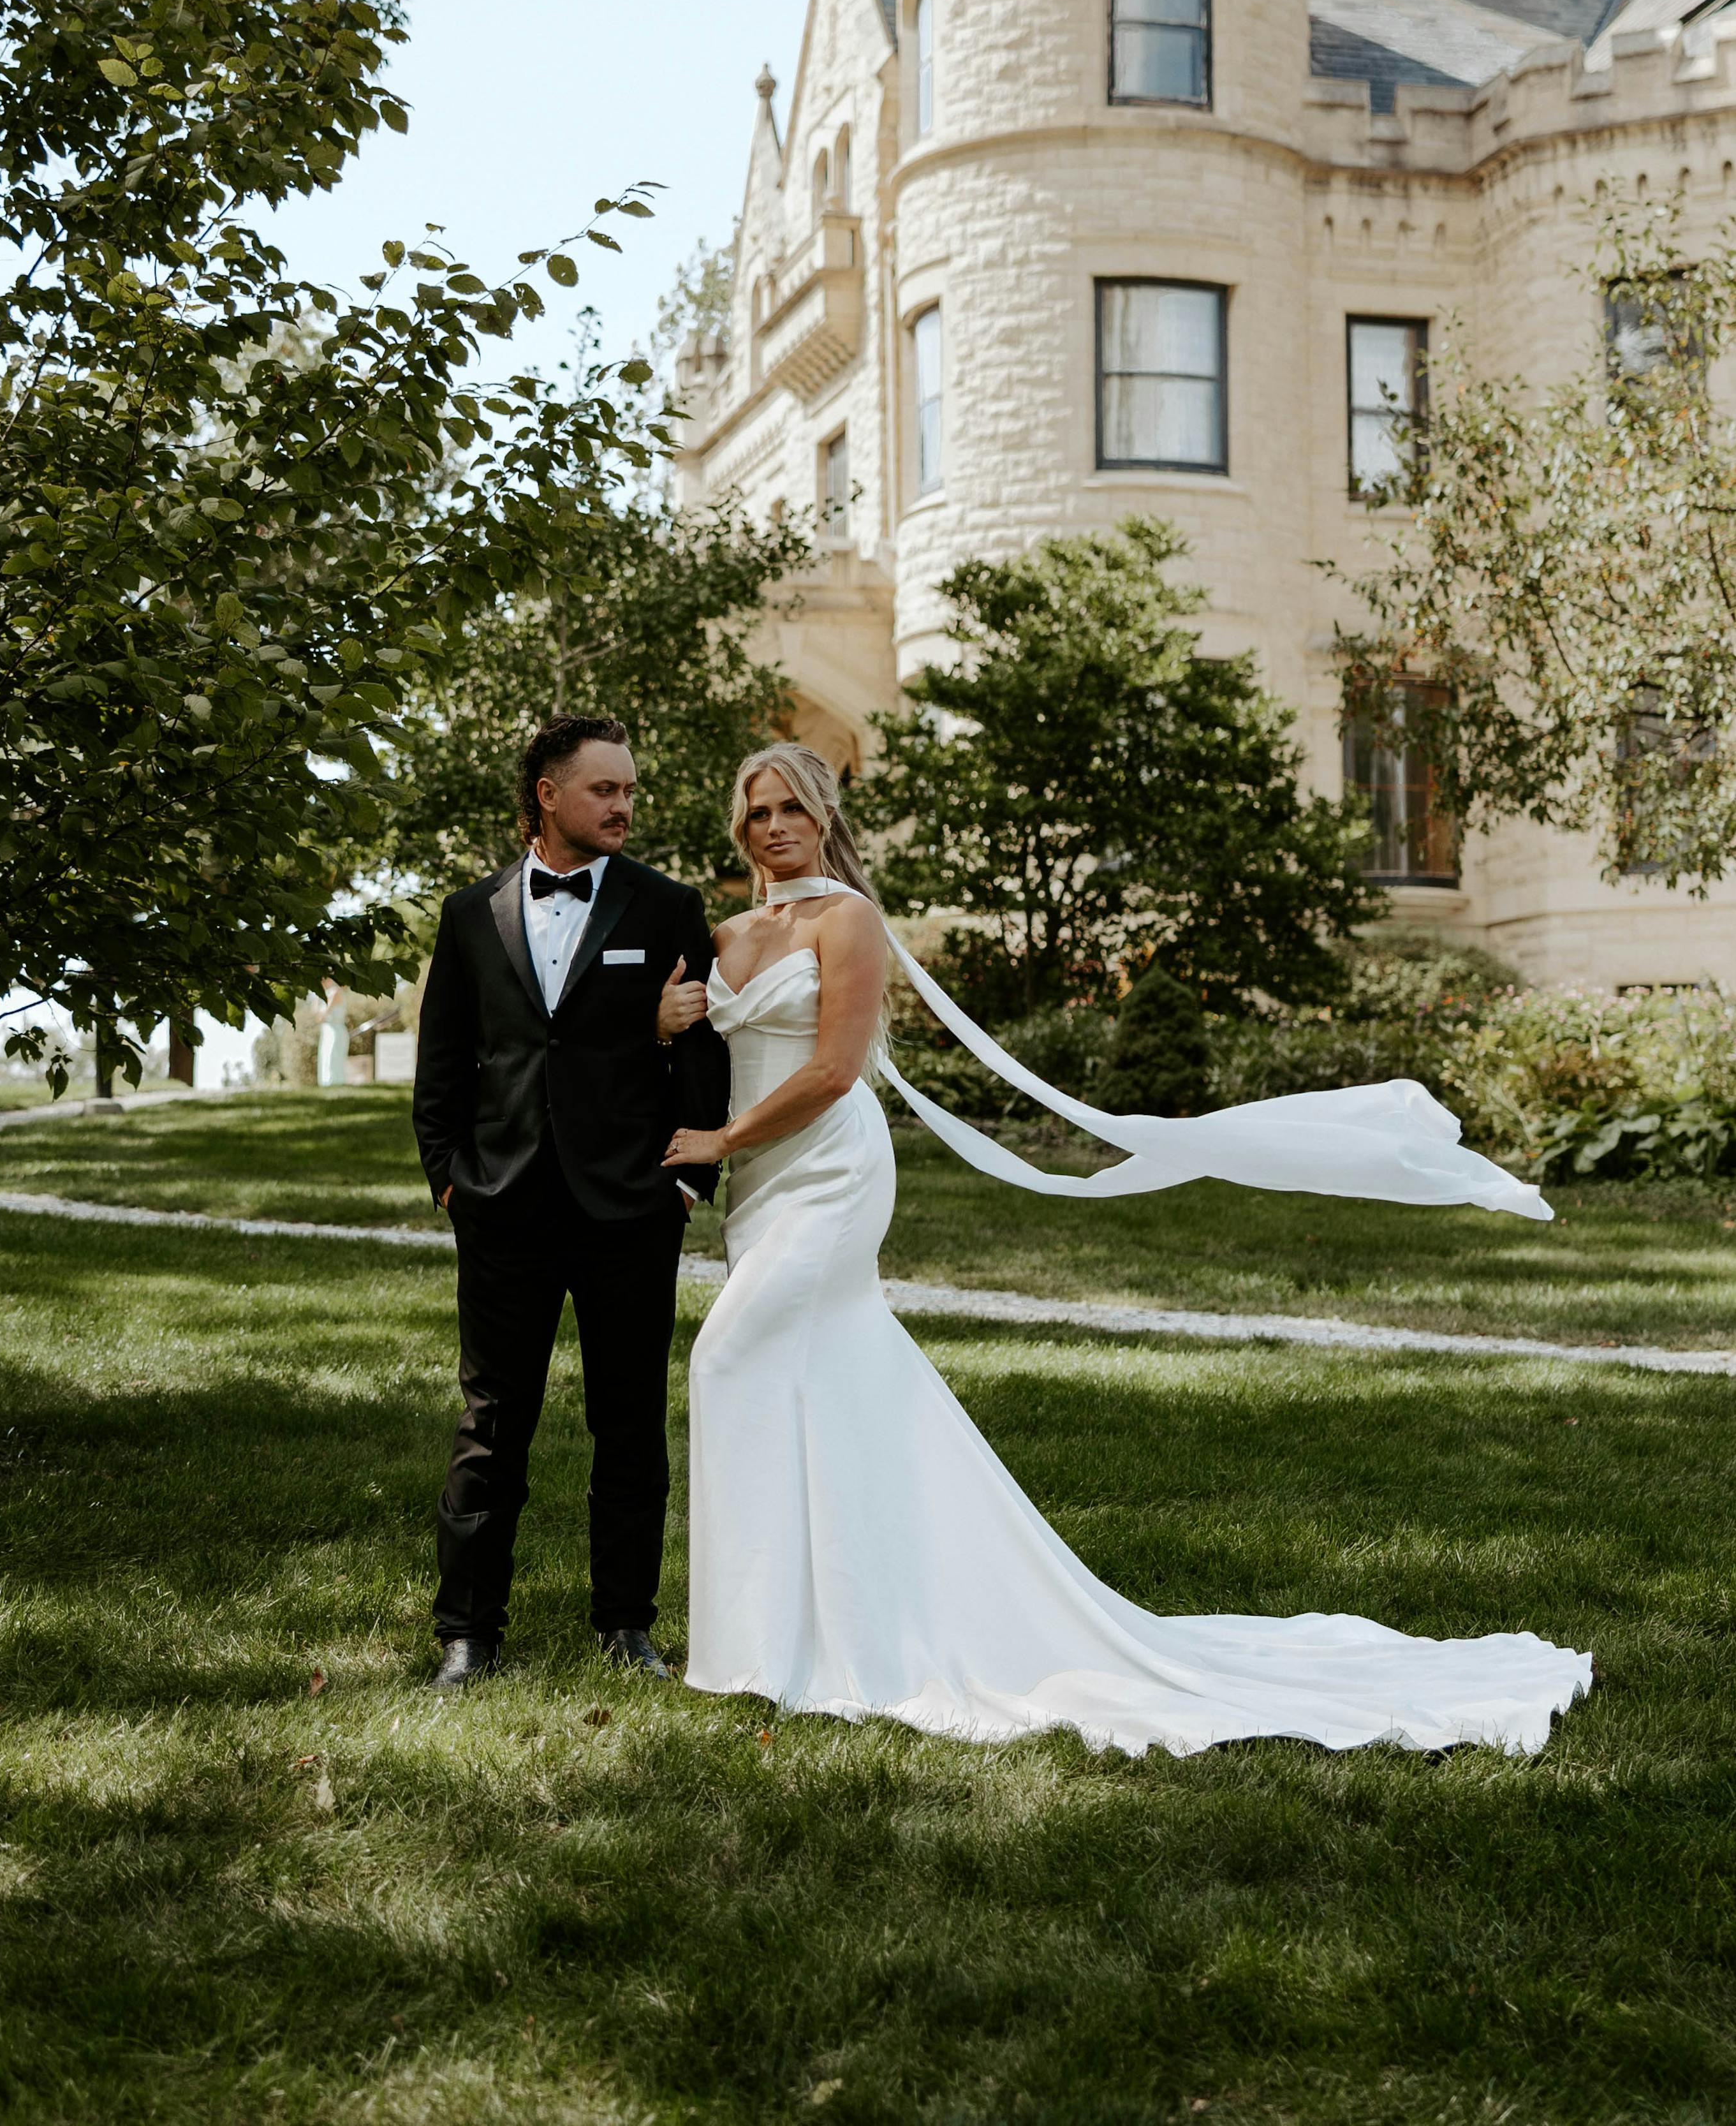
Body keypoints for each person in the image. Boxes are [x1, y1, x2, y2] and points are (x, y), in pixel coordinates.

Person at [659, 742, 1592, 1757]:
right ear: (738, 827)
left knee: (728, 1356)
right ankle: (802, 1630)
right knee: (817, 1385)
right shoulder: (727, 932)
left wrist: (718, 1142)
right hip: (757, 1188)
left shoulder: (849, 919)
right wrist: (670, 1027)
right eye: (757, 813)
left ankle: (752, 1645)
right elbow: (708, 1055)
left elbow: (837, 1069)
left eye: (793, 808)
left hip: (830, 1177)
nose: (775, 827)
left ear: (826, 818)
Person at [413, 714, 729, 1688]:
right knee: (489, 1422)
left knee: (628, 1421)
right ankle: (469, 1633)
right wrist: (450, 1181)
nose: (624, 805)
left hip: (629, 1208)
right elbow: (444, 1067)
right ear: (548, 794)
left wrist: (685, 1181)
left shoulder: (668, 908)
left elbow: (704, 1052)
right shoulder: (471, 916)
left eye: (630, 790)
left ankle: (626, 1625)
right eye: (605, 790)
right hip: (502, 1205)